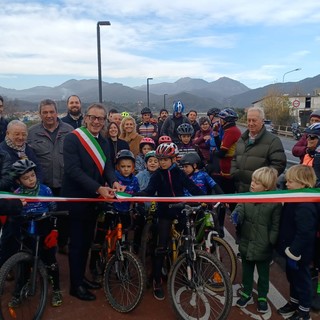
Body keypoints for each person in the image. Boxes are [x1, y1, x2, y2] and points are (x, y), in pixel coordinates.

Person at [61, 103, 124, 301]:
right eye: (93, 117)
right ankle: (75, 285)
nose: (96, 121)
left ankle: (81, 278)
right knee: (77, 244)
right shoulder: (72, 139)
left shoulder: (104, 142)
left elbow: (108, 168)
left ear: (105, 121)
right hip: (77, 198)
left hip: (94, 200)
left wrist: (114, 181)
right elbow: (73, 170)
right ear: (86, 118)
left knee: (87, 241)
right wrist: (98, 188)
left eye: (101, 118)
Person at [133, 142, 204, 300]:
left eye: (166, 159)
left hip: (180, 211)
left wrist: (206, 198)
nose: (162, 162)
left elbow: (192, 188)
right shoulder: (158, 175)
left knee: (188, 242)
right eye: (160, 159)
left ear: (174, 159)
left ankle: (187, 270)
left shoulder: (179, 173)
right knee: (161, 247)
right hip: (164, 212)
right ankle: (157, 279)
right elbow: (150, 190)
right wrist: (138, 195)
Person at [11, 159, 63, 307]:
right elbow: (14, 214)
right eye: (26, 178)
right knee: (24, 263)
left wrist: (54, 230)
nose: (30, 180)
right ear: (18, 181)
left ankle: (57, 290)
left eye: (32, 175)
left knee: (50, 262)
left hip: (45, 229)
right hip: (27, 231)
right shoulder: (17, 194)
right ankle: (18, 291)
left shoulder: (45, 190)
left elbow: (54, 211)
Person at [232, 167, 282, 314]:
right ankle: (246, 292)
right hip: (247, 241)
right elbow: (240, 208)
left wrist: (271, 241)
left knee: (263, 274)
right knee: (246, 270)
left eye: (257, 183)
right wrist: (236, 215)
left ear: (266, 187)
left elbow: (275, 224)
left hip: (263, 245)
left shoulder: (275, 203)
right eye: (253, 180)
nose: (252, 184)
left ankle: (262, 297)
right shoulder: (247, 197)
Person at [28, 99, 73, 255]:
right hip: (43, 184)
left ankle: (62, 242)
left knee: (65, 216)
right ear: (40, 114)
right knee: (43, 217)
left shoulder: (69, 130)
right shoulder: (32, 133)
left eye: (51, 112)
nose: (49, 115)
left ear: (57, 112)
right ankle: (45, 248)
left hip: (64, 183)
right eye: (45, 112)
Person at [277, 165, 318, 320]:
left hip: (299, 253)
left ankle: (304, 311)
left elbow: (305, 232)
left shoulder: (305, 205)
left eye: (291, 181)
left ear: (302, 183)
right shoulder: (295, 198)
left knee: (302, 281)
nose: (287, 184)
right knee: (292, 278)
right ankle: (294, 302)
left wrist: (294, 251)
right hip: (291, 249)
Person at [231, 106, 287, 193]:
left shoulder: (273, 141)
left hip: (260, 192)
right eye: (249, 120)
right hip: (239, 188)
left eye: (254, 120)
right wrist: (234, 173)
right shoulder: (242, 139)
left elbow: (279, 164)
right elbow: (235, 158)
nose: (251, 123)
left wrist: (262, 181)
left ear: (262, 121)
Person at [211, 108, 241, 194]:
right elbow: (221, 148)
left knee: (228, 194)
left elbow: (222, 153)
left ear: (225, 120)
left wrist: (213, 153)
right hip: (227, 169)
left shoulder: (231, 131)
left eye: (221, 119)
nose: (219, 121)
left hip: (229, 170)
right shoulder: (230, 130)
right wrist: (216, 134)